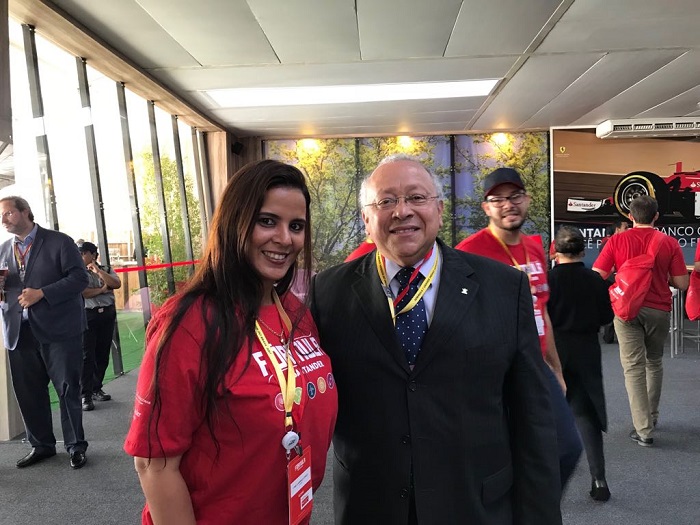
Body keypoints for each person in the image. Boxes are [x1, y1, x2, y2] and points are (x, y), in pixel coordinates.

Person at [311, 155, 562, 524]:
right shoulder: (328, 292)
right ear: (366, 218)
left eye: (416, 197)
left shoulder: (505, 288)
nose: (402, 211)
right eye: (386, 201)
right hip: (371, 506)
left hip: (473, 504)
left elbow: (533, 417)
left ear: (439, 210)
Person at [124, 160, 337, 525]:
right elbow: (154, 464)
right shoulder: (190, 323)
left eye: (296, 226)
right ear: (234, 222)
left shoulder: (294, 312)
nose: (285, 239)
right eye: (267, 221)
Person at [455, 167, 582, 490]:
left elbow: (543, 312)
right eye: (498, 199)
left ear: (527, 200)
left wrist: (556, 369)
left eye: (514, 196)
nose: (508, 205)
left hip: (535, 365)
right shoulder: (468, 253)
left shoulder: (534, 248)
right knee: (501, 458)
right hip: (493, 372)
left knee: (566, 448)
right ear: (486, 208)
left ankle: (536, 509)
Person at [0, 196, 89, 469]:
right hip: (19, 332)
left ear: (25, 212)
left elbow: (80, 279)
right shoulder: (3, 250)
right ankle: (41, 445)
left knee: (67, 389)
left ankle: (75, 446)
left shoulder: (59, 242)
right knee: (28, 393)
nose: (3, 219)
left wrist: (42, 293)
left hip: (60, 330)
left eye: (8, 213)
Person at [593, 195, 688, 446]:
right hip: (658, 309)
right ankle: (652, 417)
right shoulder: (669, 243)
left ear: (630, 216)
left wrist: (619, 278)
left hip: (626, 310)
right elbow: (682, 283)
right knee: (653, 362)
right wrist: (663, 276)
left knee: (633, 368)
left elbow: (597, 275)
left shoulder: (616, 240)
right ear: (656, 216)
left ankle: (643, 429)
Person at [548, 226, 614, 502]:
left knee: (549, 415)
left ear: (554, 251)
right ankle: (599, 480)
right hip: (587, 350)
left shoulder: (548, 280)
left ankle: (548, 485)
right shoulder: (595, 280)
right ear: (584, 251)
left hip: (554, 351)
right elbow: (606, 317)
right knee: (587, 415)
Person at [77, 240, 121, 411]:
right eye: (79, 254)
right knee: (87, 356)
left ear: (93, 255)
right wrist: (102, 290)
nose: (80, 256)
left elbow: (116, 284)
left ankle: (96, 388)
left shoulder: (106, 269)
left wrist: (98, 271)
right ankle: (85, 395)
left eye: (83, 253)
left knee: (102, 354)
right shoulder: (77, 273)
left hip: (107, 315)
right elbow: (84, 293)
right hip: (89, 316)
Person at [601, 219, 629, 344]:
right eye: (625, 228)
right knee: (612, 307)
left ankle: (613, 334)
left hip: (620, 279)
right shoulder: (608, 243)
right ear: (617, 229)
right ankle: (609, 335)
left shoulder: (623, 243)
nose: (628, 230)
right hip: (611, 280)